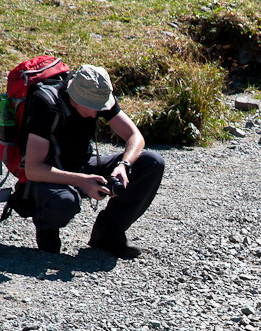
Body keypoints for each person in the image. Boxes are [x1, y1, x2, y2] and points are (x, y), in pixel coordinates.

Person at [23, 64, 164, 258]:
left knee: (152, 162)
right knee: (65, 202)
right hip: (50, 172)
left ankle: (107, 233)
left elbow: (135, 137)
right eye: (91, 107)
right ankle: (47, 227)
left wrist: (124, 166)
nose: (96, 114)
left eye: (101, 107)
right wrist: (82, 181)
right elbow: (32, 169)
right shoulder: (46, 104)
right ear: (74, 95)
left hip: (85, 162)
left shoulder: (98, 95)